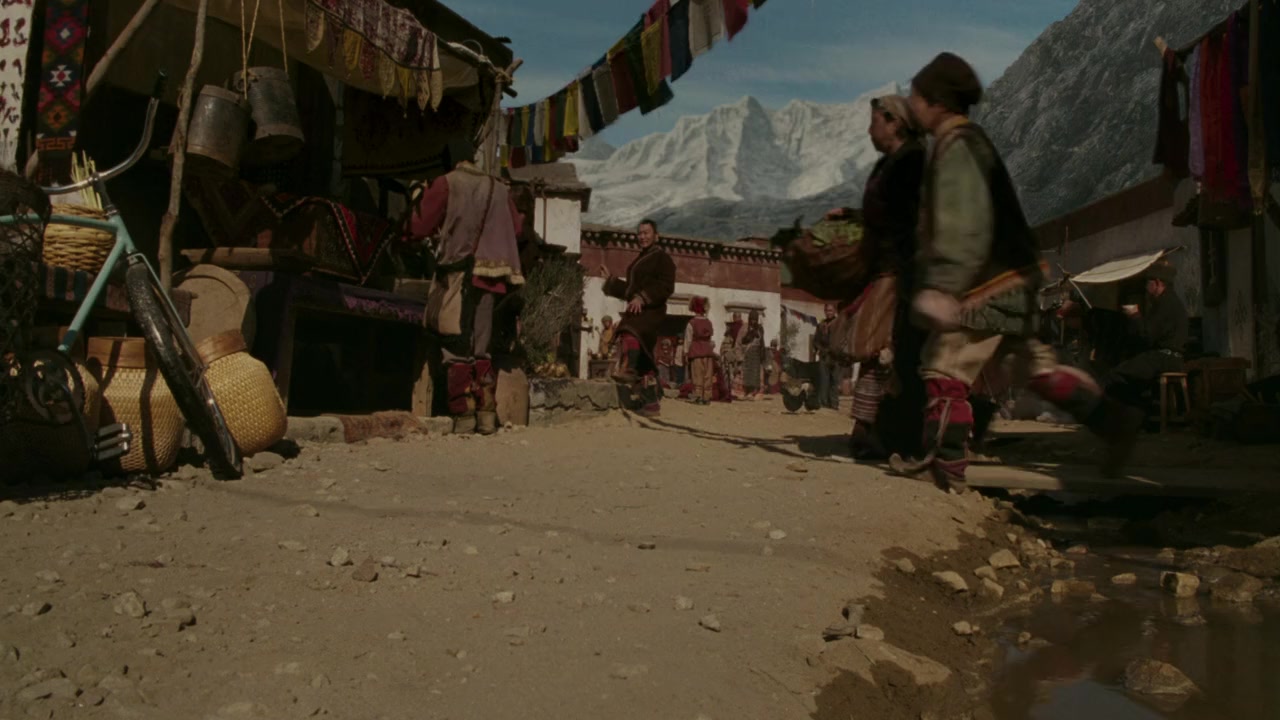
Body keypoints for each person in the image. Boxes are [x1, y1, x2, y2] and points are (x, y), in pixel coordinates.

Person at [890, 52, 1144, 492]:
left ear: (936, 101)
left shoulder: (956, 145)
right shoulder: (970, 142)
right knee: (1030, 367)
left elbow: (962, 222)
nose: (910, 105)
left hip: (985, 284)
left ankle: (945, 467)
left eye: (915, 96)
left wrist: (944, 286)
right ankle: (1113, 422)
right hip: (1017, 279)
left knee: (945, 367)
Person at [825, 94, 928, 459]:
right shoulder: (889, 165)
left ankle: (882, 432)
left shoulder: (913, 162)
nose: (869, 131)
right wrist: (853, 217)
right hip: (886, 267)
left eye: (874, 123)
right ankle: (868, 429)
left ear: (894, 122)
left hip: (904, 272)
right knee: (877, 351)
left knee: (887, 352)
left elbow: (909, 217)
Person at [407, 160, 524, 435]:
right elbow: (516, 229)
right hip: (490, 277)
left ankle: (463, 412)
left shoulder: (448, 183)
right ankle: (486, 412)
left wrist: (416, 196)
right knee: (481, 346)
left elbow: (418, 227)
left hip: (457, 274)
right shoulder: (499, 189)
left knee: (455, 343)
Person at [602, 218, 677, 417]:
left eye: (646, 233)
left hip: (651, 311)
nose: (642, 237)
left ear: (656, 236)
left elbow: (666, 286)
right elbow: (630, 290)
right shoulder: (638, 260)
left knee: (630, 330)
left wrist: (643, 298)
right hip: (638, 310)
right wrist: (611, 281)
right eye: (640, 233)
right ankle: (651, 404)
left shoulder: (662, 259)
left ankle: (630, 369)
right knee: (645, 358)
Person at [1106, 260, 1189, 406]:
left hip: (1164, 359)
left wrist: (1135, 315)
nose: (1146, 287)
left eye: (1148, 283)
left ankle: (1137, 412)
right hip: (1169, 358)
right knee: (1133, 371)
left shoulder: (1165, 304)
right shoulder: (1168, 301)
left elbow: (1147, 336)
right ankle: (1144, 409)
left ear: (1157, 283)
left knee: (1116, 374)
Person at [685, 296, 716, 405]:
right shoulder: (709, 322)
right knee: (707, 375)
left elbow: (688, 339)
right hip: (708, 352)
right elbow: (710, 338)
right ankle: (707, 396)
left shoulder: (692, 323)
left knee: (697, 374)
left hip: (696, 351)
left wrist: (686, 352)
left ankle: (698, 396)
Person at [814, 304, 842, 409]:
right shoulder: (821, 325)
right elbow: (816, 340)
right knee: (824, 380)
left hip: (836, 356)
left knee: (834, 380)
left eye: (831, 310)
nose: (829, 312)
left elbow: (843, 340)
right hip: (824, 356)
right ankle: (823, 403)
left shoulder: (839, 324)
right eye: (827, 310)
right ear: (825, 311)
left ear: (834, 311)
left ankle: (834, 404)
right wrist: (820, 349)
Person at [740, 310, 766, 399]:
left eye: (755, 320)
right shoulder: (746, 328)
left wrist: (762, 353)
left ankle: (753, 391)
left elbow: (762, 341)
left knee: (755, 374)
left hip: (756, 354)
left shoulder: (760, 328)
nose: (753, 321)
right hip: (748, 353)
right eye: (752, 319)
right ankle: (746, 391)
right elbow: (743, 341)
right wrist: (750, 334)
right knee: (747, 373)